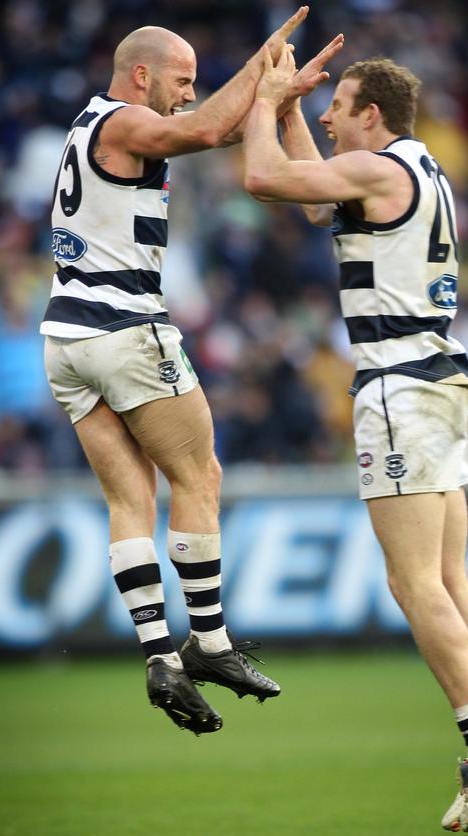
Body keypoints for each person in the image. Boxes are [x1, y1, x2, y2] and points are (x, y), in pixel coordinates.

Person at [242, 48, 468, 831]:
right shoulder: (415, 168)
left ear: (374, 115)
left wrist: (265, 100)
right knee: (446, 577)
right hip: (443, 378)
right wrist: (294, 110)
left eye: (339, 106)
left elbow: (264, 180)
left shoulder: (377, 173)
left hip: (400, 387)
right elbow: (312, 203)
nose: (330, 116)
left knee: (412, 584)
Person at [41, 9, 345, 736]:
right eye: (181, 80)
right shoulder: (124, 120)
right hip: (125, 327)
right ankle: (208, 643)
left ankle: (157, 657)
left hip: (64, 338)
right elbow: (208, 128)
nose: (187, 92)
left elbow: (224, 128)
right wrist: (261, 63)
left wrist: (275, 101)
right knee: (200, 476)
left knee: (130, 498)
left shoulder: (97, 126)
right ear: (140, 74)